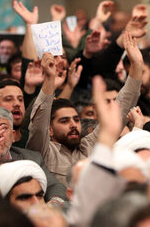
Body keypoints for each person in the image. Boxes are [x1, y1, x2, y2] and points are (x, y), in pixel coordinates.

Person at [27, 32, 142, 185]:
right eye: (64, 121)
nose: (73, 125)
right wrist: (49, 80)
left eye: (76, 119)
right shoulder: (43, 151)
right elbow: (39, 124)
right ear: (50, 129)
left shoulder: (89, 146)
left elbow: (123, 106)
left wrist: (137, 66)